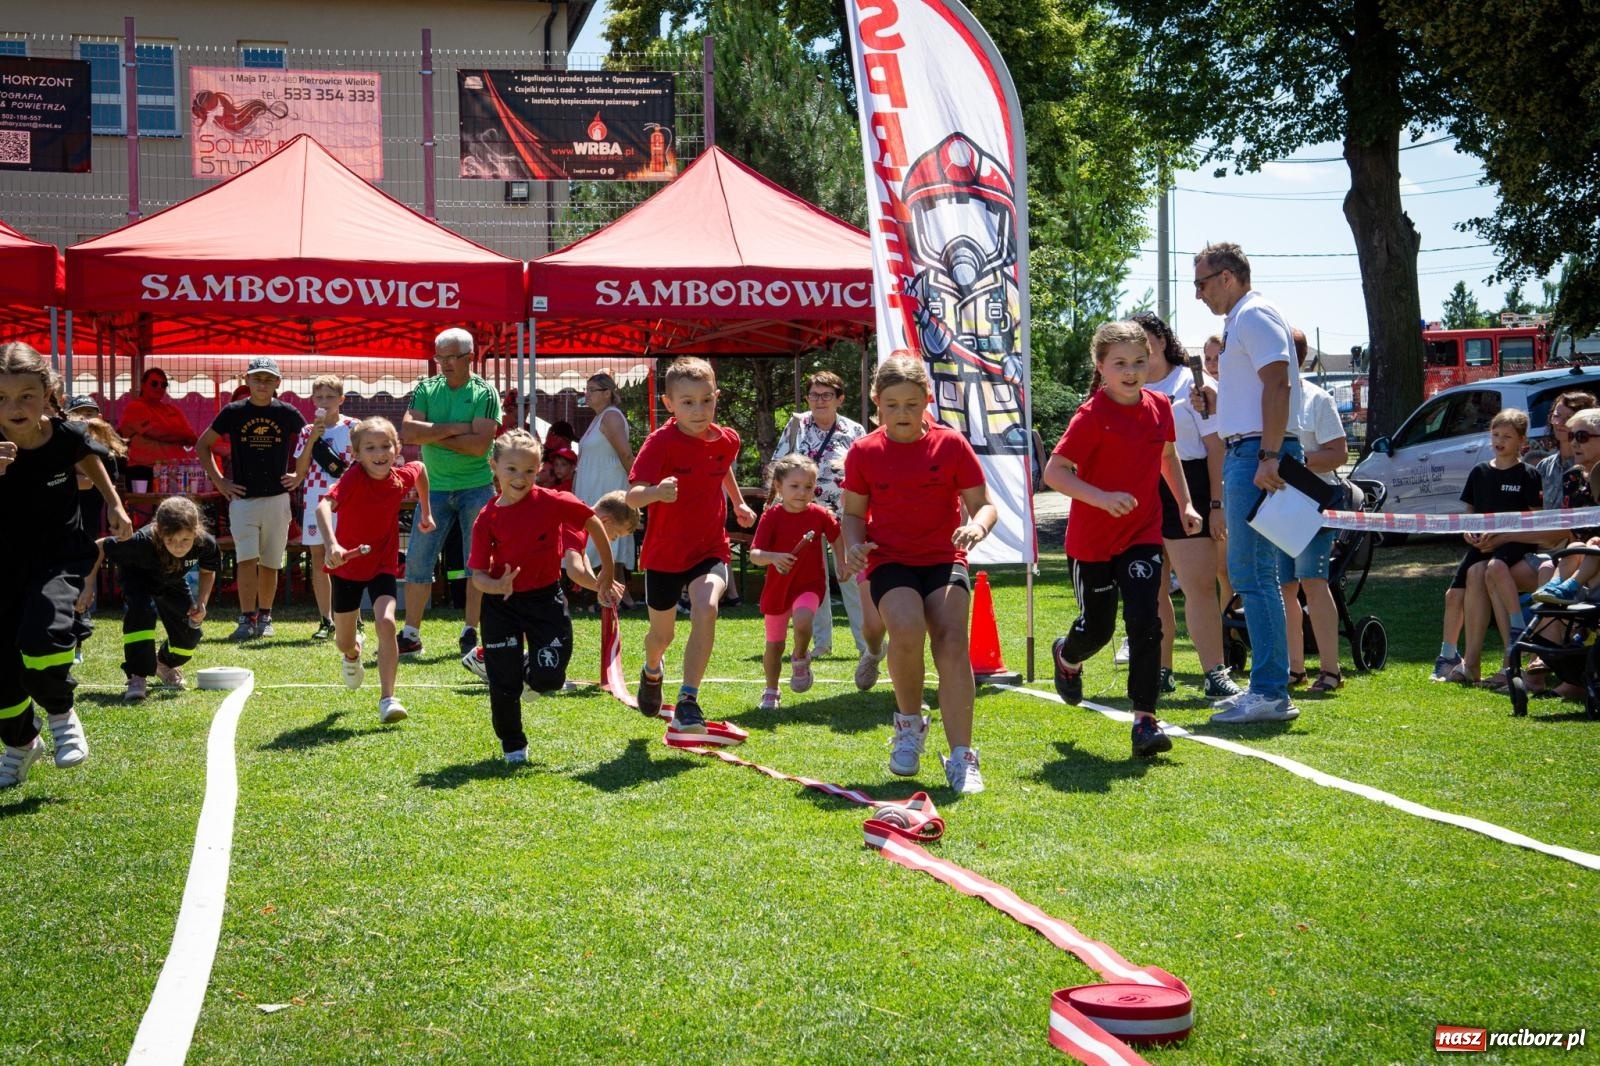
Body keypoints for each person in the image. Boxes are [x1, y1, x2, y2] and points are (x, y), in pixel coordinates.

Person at [841, 355, 996, 793]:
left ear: (928, 400)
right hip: (889, 559)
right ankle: (909, 727)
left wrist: (976, 525)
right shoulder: (864, 451)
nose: (903, 414)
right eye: (892, 405)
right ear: (876, 404)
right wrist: (854, 545)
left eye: (912, 404)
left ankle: (963, 756)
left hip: (945, 558)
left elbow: (984, 503)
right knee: (906, 630)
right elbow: (853, 513)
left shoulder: (951, 445)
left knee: (950, 639)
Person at [1045, 322, 1199, 758]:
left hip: (1142, 532)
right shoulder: (1090, 416)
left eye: (1139, 361)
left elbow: (1167, 457)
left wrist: (1185, 504)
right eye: (1120, 364)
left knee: (1146, 621)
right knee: (1098, 628)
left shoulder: (1161, 406)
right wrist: (1100, 497)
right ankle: (1067, 657)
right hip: (1092, 542)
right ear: (1101, 367)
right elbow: (1054, 473)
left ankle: (1145, 720)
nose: (1131, 372)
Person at [0, 342, 131, 790]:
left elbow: (90, 458)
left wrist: (115, 504)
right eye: (1, 398)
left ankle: (61, 713)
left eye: (25, 396)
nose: (13, 407)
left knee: (42, 636)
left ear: (48, 392)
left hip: (58, 559)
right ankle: (20, 744)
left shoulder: (66, 436)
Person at [1194, 242, 1305, 724]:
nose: (1198, 293)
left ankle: (1270, 692)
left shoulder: (1254, 314)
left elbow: (1278, 383)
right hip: (1249, 449)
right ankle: (1267, 686)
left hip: (1256, 452)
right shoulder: (1243, 318)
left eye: (1201, 283)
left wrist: (1269, 454)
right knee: (1255, 577)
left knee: (1253, 577)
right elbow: (1265, 388)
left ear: (1227, 277)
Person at [626, 357, 757, 733]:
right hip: (665, 554)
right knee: (661, 636)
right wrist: (655, 492)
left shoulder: (728, 438)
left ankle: (688, 699)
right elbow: (631, 496)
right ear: (669, 404)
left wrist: (737, 502)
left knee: (706, 606)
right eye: (687, 402)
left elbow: (721, 464)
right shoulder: (660, 442)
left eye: (706, 400)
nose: (698, 410)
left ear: (716, 397)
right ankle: (652, 670)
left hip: (710, 548)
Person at [470, 430, 615, 763]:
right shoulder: (486, 518)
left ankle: (528, 667)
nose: (520, 478)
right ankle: (513, 744)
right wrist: (497, 586)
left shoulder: (553, 501)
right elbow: (477, 576)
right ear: (494, 466)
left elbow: (592, 522)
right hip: (501, 606)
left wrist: (606, 570)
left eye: (529, 471)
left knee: (549, 677)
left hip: (545, 601)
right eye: (512, 470)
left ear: (539, 471)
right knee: (503, 683)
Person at [1132, 311, 1239, 702]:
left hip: (1188, 485)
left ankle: (1215, 672)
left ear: (1161, 340)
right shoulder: (1127, 382)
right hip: (1140, 488)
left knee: (1198, 587)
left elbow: (1215, 448)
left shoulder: (1193, 382)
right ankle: (1160, 670)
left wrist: (1214, 503)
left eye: (1144, 340)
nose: (1138, 351)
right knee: (1151, 590)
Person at [318, 417, 435, 725]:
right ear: (356, 454)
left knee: (385, 621)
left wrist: (427, 511)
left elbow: (420, 470)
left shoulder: (399, 477)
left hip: (382, 565)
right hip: (347, 567)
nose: (380, 452)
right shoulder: (354, 478)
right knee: (343, 641)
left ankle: (388, 698)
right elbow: (322, 508)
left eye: (386, 446)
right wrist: (332, 546)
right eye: (370, 447)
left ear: (396, 449)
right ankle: (352, 654)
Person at [460, 491, 640, 682]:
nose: (613, 540)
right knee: (553, 615)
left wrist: (599, 584)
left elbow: (582, 557)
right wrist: (602, 587)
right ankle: (488, 659)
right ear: (605, 521)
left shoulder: (579, 518)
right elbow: (574, 570)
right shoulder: (577, 526)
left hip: (521, 579)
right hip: (517, 581)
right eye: (616, 535)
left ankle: (498, 659)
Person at [400, 328, 501, 659]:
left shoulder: (486, 393)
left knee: (478, 564)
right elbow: (408, 432)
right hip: (434, 488)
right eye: (439, 356)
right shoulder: (426, 388)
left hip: (477, 487)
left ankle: (471, 631)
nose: (443, 363)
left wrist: (432, 434)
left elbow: (478, 446)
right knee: (417, 559)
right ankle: (411, 634)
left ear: (470, 357)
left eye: (451, 357)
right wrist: (458, 428)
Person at [197, 357, 305, 641]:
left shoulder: (287, 412)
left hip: (278, 498)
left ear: (278, 383)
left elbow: (311, 441)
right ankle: (247, 619)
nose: (262, 384)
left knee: (270, 562)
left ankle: (266, 616)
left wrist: (299, 474)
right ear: (246, 380)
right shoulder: (233, 411)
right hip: (242, 499)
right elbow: (202, 445)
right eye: (257, 378)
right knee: (246, 560)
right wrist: (220, 482)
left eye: (269, 379)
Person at [1437, 409, 1543, 685]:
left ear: (1522, 440)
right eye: (1496, 434)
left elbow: (1535, 519)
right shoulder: (1480, 471)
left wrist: (1503, 536)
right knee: (1457, 590)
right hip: (1481, 545)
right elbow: (1469, 514)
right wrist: (1469, 533)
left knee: (1491, 569)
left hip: (1512, 545)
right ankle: (1467, 663)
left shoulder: (1528, 474)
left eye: (1507, 436)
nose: (1500, 441)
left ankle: (1514, 648)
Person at [770, 370, 870, 662]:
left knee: (849, 575)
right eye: (814, 394)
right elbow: (780, 464)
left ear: (840, 399)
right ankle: (821, 643)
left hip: (845, 514)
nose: (819, 401)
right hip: (805, 515)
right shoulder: (796, 425)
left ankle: (866, 643)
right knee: (813, 580)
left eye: (827, 395)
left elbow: (865, 472)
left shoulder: (854, 431)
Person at [80, 497, 219, 702]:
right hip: (138, 578)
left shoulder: (205, 543)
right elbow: (100, 547)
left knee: (188, 636)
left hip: (172, 580)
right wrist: (89, 584)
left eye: (185, 540)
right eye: (170, 540)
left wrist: (202, 602)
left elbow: (208, 571)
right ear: (159, 532)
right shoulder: (141, 542)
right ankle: (137, 676)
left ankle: (163, 663)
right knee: (142, 615)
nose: (178, 547)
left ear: (196, 532)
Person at [749, 455, 849, 711]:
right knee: (774, 644)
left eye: (808, 487)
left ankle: (800, 657)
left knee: (804, 621)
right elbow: (755, 555)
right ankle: (771, 689)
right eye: (794, 486)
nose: (802, 493)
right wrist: (774, 557)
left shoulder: (820, 514)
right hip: (778, 589)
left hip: (809, 584)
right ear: (779, 487)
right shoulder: (771, 517)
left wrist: (841, 563)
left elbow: (837, 536)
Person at [1280, 328, 1350, 694]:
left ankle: (1330, 671)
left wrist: (1299, 460)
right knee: (1283, 587)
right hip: (1277, 505)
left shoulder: (1317, 399)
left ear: (1298, 357)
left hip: (1313, 502)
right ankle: (1294, 670)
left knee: (1313, 582)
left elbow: (1339, 454)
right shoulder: (1266, 398)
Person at [290, 374, 359, 640]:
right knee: (319, 558)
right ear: (312, 400)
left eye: (330, 397)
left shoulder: (354, 426)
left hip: (346, 500)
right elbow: (300, 468)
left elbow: (359, 464)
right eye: (319, 397)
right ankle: (325, 619)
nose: (325, 402)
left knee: (347, 556)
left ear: (341, 400)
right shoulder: (308, 430)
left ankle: (354, 617)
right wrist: (312, 439)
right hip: (314, 500)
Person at [573, 373, 637, 607]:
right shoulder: (598, 418)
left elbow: (625, 454)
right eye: (586, 389)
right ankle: (618, 595)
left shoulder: (611, 416)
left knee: (611, 539)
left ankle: (618, 595)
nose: (586, 394)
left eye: (592, 390)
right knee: (601, 540)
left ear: (607, 393)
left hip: (608, 486)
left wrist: (641, 485)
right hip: (592, 484)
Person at [116, 366, 196, 485]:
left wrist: (170, 433)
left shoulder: (172, 409)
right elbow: (158, 434)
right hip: (144, 470)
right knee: (145, 502)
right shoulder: (136, 407)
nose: (159, 387)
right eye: (154, 383)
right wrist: (180, 434)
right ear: (143, 385)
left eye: (163, 385)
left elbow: (192, 438)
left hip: (175, 472)